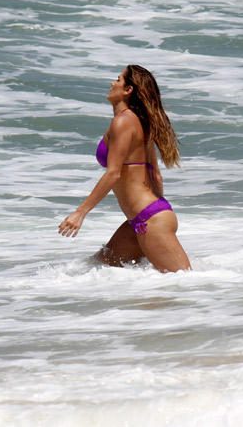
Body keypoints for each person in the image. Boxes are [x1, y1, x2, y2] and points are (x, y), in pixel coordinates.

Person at [58, 65, 191, 273]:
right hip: (144, 218)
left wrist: (79, 213)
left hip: (149, 220)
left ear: (128, 90)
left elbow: (113, 173)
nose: (112, 83)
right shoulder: (139, 122)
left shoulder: (123, 122)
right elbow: (155, 175)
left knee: (184, 283)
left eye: (117, 79)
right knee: (100, 265)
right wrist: (157, 212)